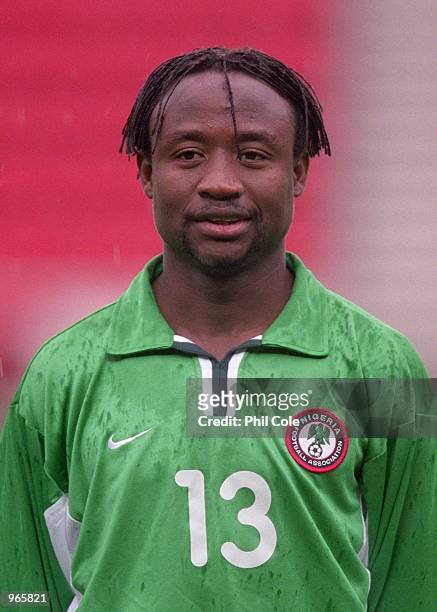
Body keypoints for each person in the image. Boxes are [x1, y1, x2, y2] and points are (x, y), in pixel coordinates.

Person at [0, 47, 435, 612]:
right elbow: (23, 587)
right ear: (147, 173)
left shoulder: (381, 367)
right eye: (188, 154)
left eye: (254, 155)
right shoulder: (63, 374)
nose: (222, 182)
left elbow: (415, 584)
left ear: (298, 171)